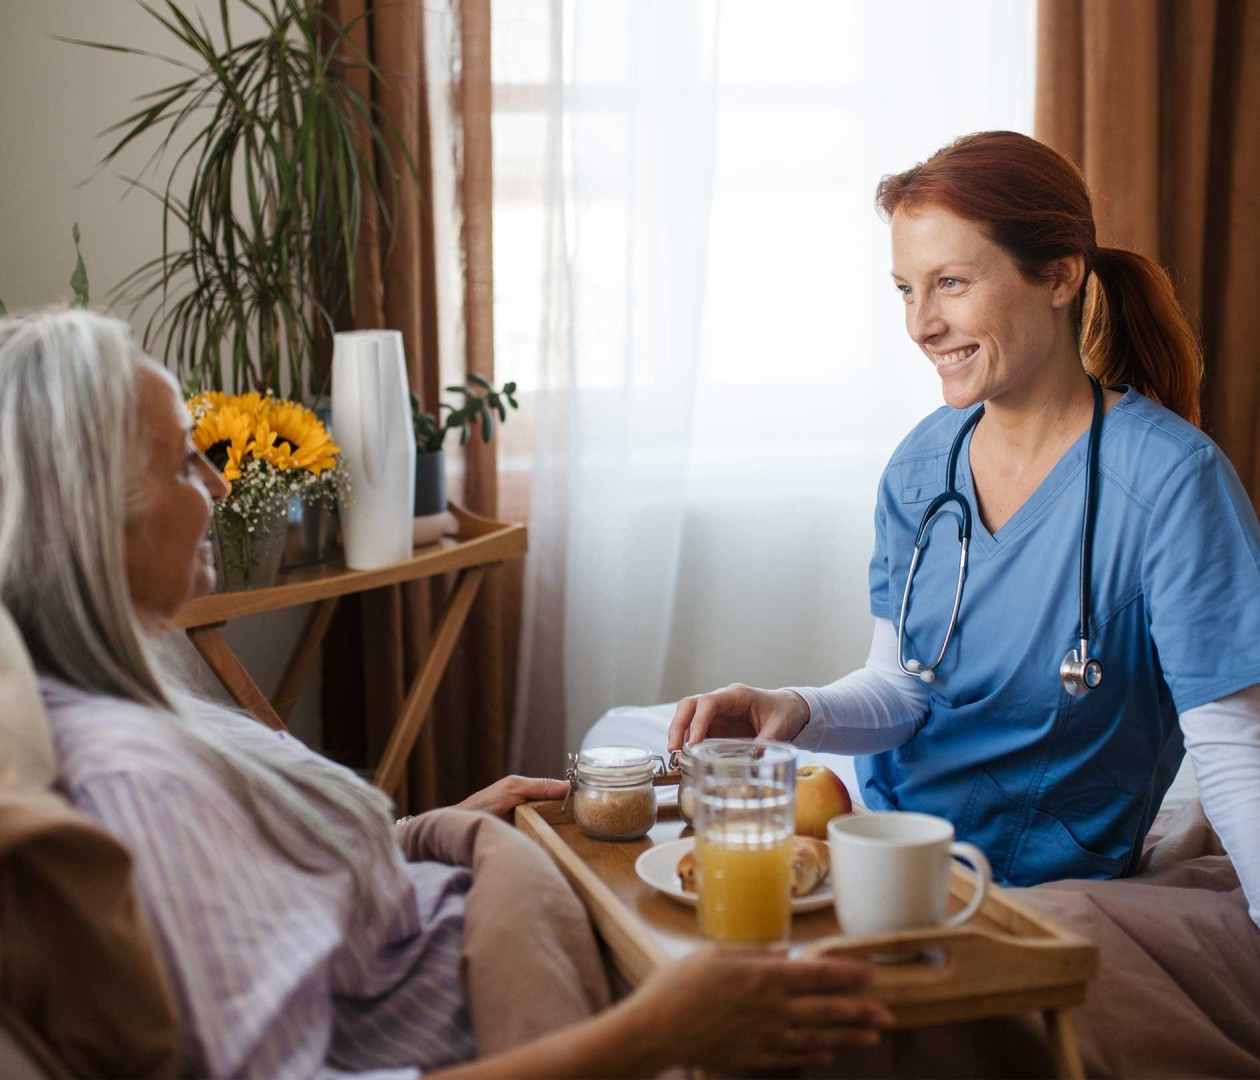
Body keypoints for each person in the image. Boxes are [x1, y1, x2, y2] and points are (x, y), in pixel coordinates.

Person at [0, 308, 893, 1079]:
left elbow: (274, 896)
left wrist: (449, 823)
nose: (221, 482)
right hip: (505, 1011)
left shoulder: (142, 706)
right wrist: (657, 1031)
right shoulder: (137, 781)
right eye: (186, 462)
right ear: (88, 511)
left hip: (480, 928)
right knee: (880, 1006)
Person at [666, 131, 1260, 927]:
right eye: (905, 291)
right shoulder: (922, 465)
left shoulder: (1170, 483)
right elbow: (903, 688)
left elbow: (1231, 749)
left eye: (950, 282)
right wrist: (793, 708)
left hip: (1029, 884)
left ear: (1059, 276)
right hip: (878, 845)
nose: (921, 325)